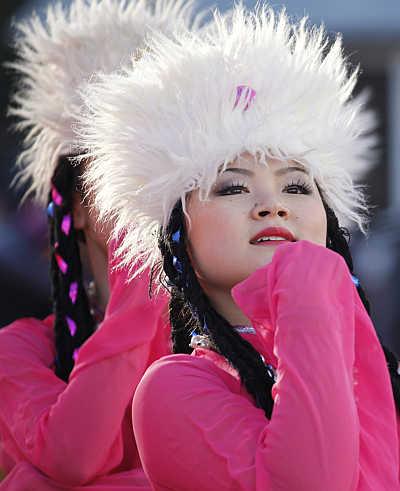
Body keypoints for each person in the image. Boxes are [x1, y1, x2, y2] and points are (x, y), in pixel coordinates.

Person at [79, 4, 400, 490]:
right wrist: (308, 283)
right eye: (232, 188)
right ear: (178, 239)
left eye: (297, 187)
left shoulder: (374, 368)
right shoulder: (172, 389)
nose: (273, 206)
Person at [0, 0, 203, 488]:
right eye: (122, 171)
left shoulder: (231, 341)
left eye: (169, 175)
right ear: (75, 206)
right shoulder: (21, 351)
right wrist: (140, 272)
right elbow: (74, 456)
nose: (150, 195)